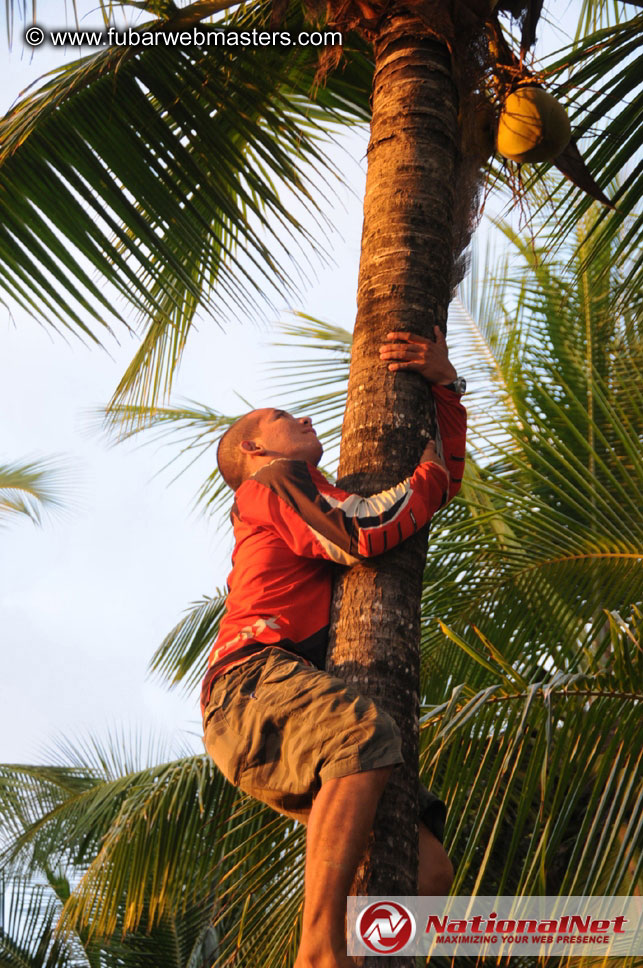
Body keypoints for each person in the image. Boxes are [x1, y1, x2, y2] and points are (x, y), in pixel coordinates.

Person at [202, 327, 467, 968]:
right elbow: (364, 531)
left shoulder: (304, 488)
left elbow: (431, 489)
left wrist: (446, 388)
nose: (303, 418)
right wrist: (429, 474)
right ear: (255, 448)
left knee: (429, 869)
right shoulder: (272, 481)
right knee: (361, 737)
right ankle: (319, 950)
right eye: (282, 418)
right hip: (250, 682)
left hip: (263, 707)